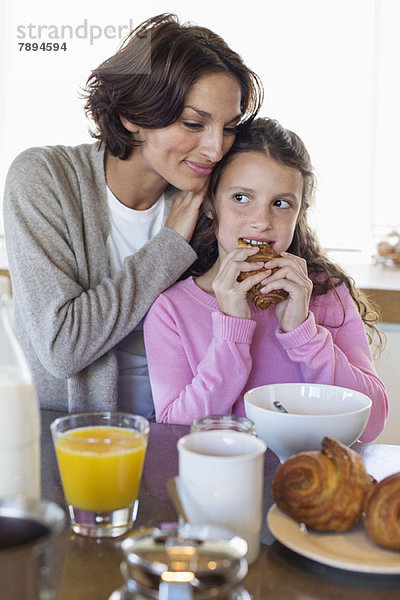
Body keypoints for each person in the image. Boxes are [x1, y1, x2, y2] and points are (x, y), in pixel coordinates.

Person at [2, 13, 263, 417]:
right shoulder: (43, 179)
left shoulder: (213, 193)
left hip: (185, 430)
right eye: (193, 123)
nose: (215, 149)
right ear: (132, 116)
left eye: (228, 127)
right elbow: (62, 347)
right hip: (73, 439)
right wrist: (169, 247)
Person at [143, 117, 388, 441]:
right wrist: (231, 330)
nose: (261, 221)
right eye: (241, 198)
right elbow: (176, 433)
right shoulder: (170, 310)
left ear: (299, 213)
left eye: (281, 203)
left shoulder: (325, 293)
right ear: (210, 205)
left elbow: (371, 425)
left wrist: (303, 333)